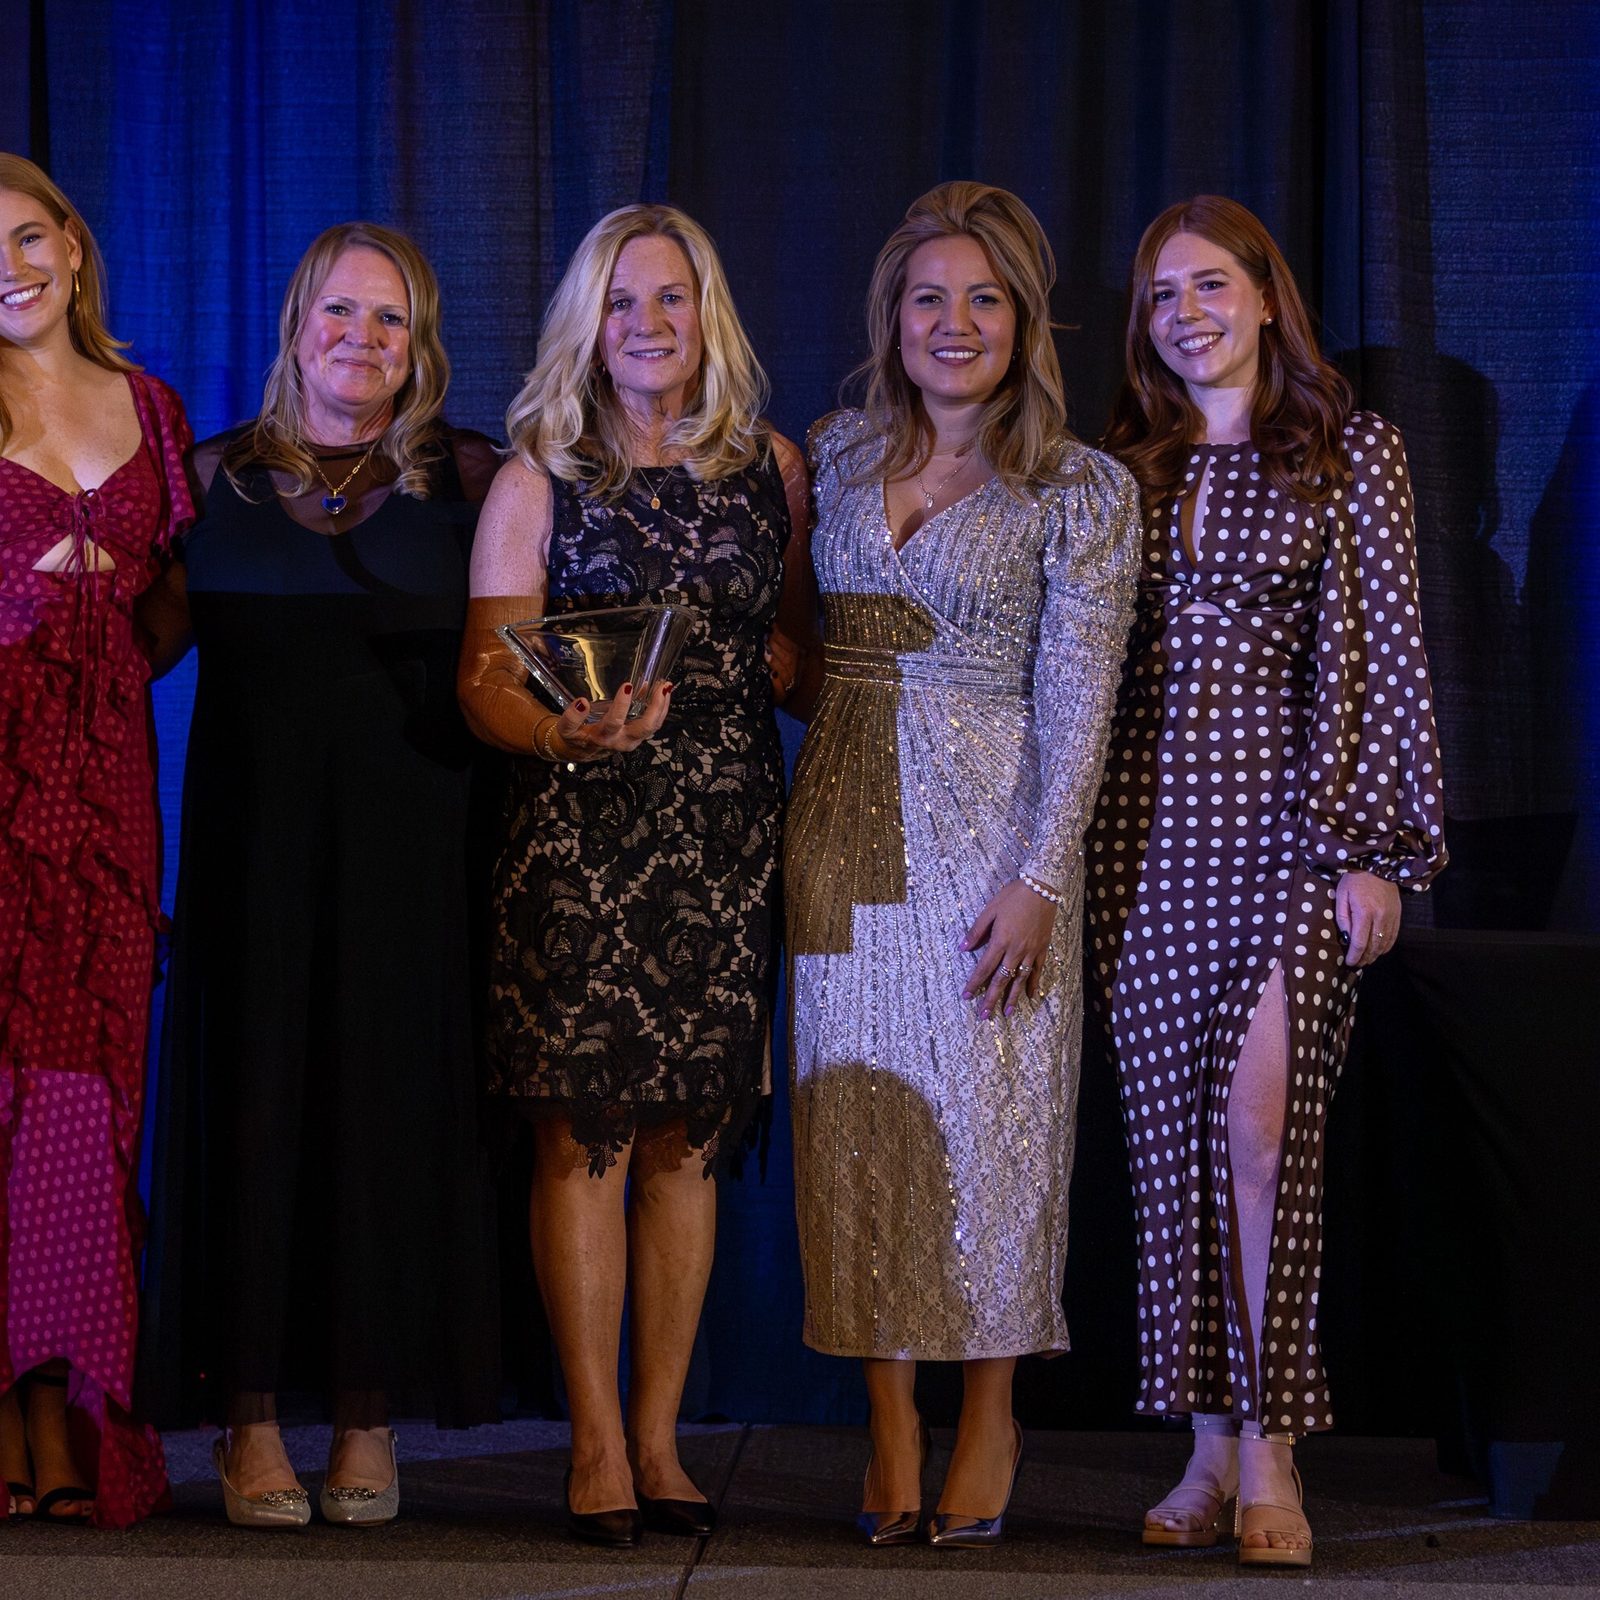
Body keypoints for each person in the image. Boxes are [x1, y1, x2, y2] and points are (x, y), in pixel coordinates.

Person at [1089, 195, 1447, 1569]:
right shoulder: (1130, 469)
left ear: (1265, 297)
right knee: (1169, 1151)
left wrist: (1373, 847)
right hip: (1142, 839)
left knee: (1261, 1143)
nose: (1187, 309)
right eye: (1163, 291)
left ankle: (1275, 1448)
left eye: (1212, 283)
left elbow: (1385, 652)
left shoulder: (1351, 452)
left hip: (1289, 834)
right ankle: (1203, 1446)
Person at [783, 181, 1141, 1549]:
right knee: (859, 1125)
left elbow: (1083, 696)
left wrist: (1044, 877)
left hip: (996, 839)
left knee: (995, 1131)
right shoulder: (832, 448)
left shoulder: (1081, 487)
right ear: (892, 318)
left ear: (1023, 322)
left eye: (983, 299)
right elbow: (812, 647)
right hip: (840, 835)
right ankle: (887, 1418)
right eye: (927, 297)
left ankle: (989, 1408)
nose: (954, 321)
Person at [136, 222, 501, 1528]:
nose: (363, 339)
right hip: (253, 867)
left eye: (390, 320)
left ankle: (365, 1414)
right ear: (294, 327)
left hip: (412, 870)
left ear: (422, 347)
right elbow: (127, 654)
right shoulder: (206, 479)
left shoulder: (471, 479)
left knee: (381, 1122)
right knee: (254, 1116)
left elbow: (540, 655)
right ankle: (244, 1425)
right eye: (340, 314)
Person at [457, 203, 806, 1548]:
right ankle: (594, 1445)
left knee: (688, 1142)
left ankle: (664, 1440)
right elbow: (485, 678)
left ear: (705, 314)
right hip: (579, 834)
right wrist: (561, 729)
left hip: (724, 835)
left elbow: (802, 659)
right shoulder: (540, 473)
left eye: (671, 299)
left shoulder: (769, 467)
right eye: (622, 302)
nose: (648, 324)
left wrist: (792, 669)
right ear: (585, 325)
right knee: (584, 1135)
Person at [0, 153, 193, 1528]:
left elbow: (175, 613)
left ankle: (69, 1408)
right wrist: (22, 598)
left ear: (71, 245)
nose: (8, 267)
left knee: (86, 1103)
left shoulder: (154, 411)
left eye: (24, 236)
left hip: (110, 808)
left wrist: (114, 615)